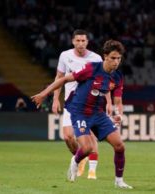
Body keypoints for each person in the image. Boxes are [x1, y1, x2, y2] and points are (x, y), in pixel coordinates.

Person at [32, 39, 132, 189]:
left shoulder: (117, 77)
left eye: (119, 58)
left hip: (98, 114)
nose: (116, 62)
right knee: (86, 149)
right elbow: (65, 78)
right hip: (80, 113)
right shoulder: (91, 68)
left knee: (120, 146)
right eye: (113, 58)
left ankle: (119, 181)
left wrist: (119, 114)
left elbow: (118, 101)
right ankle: (75, 161)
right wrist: (44, 94)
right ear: (105, 56)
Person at [52, 29, 108, 179]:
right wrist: (55, 99)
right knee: (68, 137)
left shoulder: (96, 59)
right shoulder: (65, 56)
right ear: (73, 41)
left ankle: (92, 171)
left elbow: (104, 81)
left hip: (89, 104)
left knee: (90, 136)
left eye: (83, 41)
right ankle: (79, 158)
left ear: (87, 42)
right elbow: (59, 77)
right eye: (78, 40)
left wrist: (106, 102)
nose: (81, 43)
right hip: (71, 104)